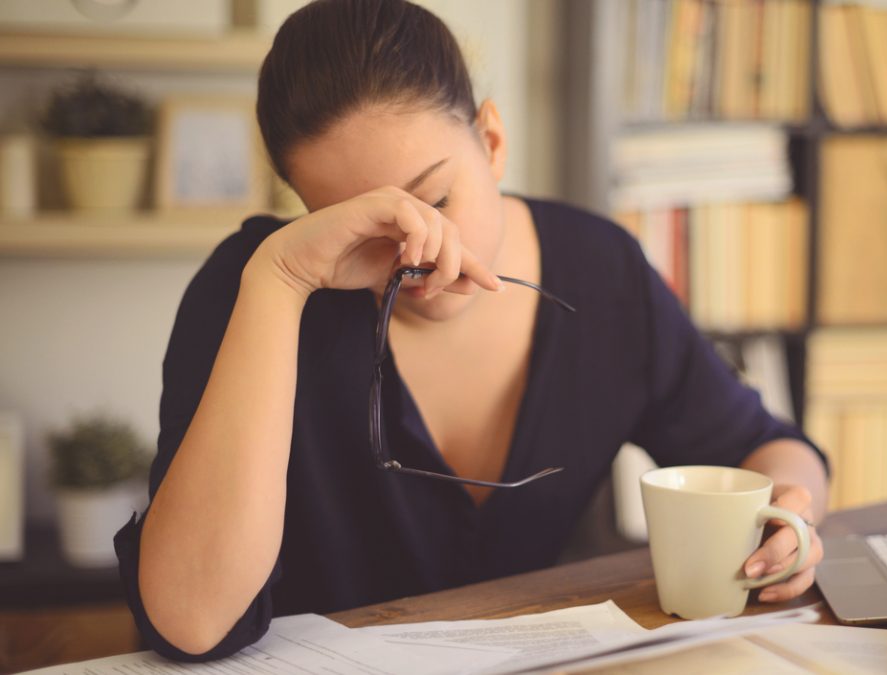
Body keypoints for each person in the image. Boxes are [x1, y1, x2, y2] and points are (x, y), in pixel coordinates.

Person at [114, 0, 829, 661]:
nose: (418, 255)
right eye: (367, 226)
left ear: (491, 140)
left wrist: (788, 514)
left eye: (435, 199)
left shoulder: (600, 270)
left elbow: (766, 448)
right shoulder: (256, 288)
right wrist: (280, 281)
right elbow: (192, 619)